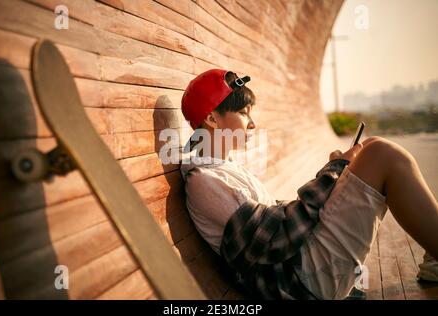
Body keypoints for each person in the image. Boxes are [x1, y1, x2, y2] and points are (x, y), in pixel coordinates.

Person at [179, 69, 438, 299]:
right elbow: (278, 238)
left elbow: (276, 218)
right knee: (382, 154)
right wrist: (334, 171)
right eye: (244, 113)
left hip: (302, 262)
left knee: (371, 148)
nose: (253, 123)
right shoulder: (205, 182)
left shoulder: (224, 167)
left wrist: (338, 177)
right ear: (212, 120)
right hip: (302, 281)